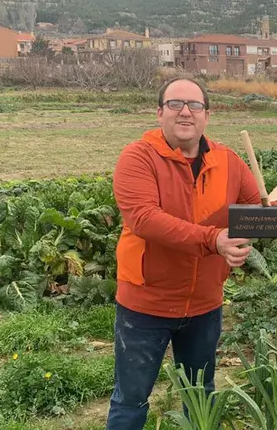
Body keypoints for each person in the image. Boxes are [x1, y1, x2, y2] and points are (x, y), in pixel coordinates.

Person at [106, 77, 264, 429]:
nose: (185, 112)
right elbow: (145, 219)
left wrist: (276, 219)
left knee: (200, 394)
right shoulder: (138, 157)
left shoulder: (229, 161)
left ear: (207, 115)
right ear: (159, 112)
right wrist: (215, 241)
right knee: (131, 399)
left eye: (194, 105)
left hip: (205, 305)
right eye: (175, 104)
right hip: (146, 305)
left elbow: (253, 208)